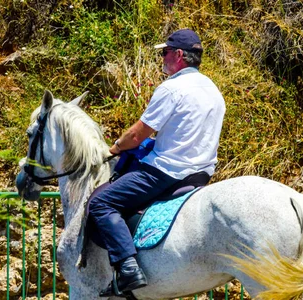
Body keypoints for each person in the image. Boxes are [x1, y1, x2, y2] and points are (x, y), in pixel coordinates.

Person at [89, 28, 226, 296]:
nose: (161, 58)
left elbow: (138, 134)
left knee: (101, 203)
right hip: (200, 176)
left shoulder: (173, 88)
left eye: (164, 53)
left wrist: (114, 148)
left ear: (177, 55)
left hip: (165, 172)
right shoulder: (213, 90)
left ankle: (128, 268)